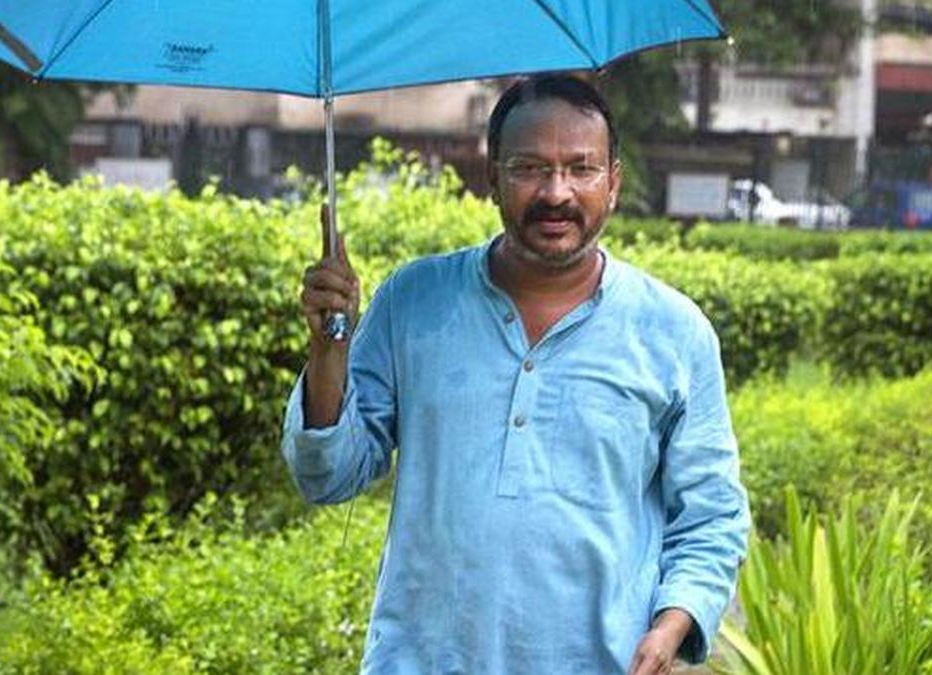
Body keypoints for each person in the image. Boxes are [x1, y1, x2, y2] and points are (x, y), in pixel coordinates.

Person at [282, 73, 750, 675]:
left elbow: (711, 515)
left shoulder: (673, 331)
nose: (557, 192)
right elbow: (328, 477)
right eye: (529, 168)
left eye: (581, 168)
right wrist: (329, 348)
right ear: (492, 178)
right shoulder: (415, 302)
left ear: (613, 183)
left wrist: (671, 626)